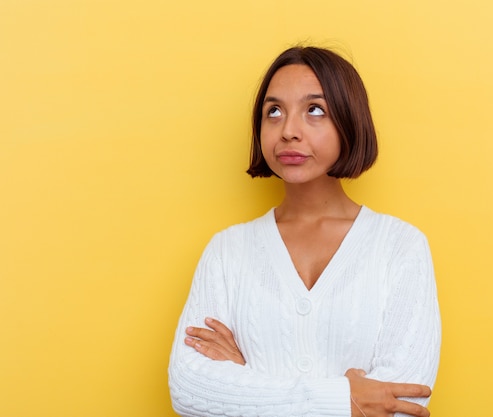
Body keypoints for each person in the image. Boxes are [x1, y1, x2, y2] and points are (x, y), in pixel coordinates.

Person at [168, 46, 441, 417]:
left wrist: (244, 378)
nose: (288, 131)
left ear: (349, 119)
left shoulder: (400, 247)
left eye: (315, 110)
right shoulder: (227, 250)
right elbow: (189, 390)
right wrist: (340, 399)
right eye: (274, 111)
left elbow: (404, 404)